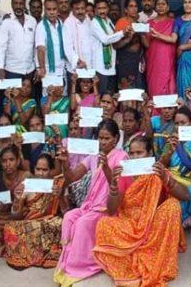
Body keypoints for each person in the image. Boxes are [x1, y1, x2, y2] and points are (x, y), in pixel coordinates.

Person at [93, 136, 189, 286]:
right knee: (103, 224)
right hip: (129, 226)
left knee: (173, 205)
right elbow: (112, 210)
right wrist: (113, 186)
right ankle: (138, 257)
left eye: (140, 152)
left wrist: (166, 178)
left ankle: (150, 256)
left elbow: (186, 196)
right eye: (132, 153)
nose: (135, 157)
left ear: (149, 153)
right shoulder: (123, 174)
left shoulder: (157, 171)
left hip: (153, 227)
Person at [54, 119, 129, 284]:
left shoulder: (122, 156)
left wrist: (107, 168)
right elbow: (72, 177)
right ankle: (67, 263)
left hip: (108, 208)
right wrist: (65, 163)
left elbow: (117, 188)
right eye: (100, 138)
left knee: (82, 223)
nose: (103, 142)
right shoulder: (93, 156)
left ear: (116, 139)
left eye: (107, 138)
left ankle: (81, 266)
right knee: (69, 217)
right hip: (90, 206)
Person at [4, 154, 65, 270]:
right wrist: (17, 200)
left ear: (51, 171)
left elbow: (66, 212)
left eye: (44, 170)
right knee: (9, 227)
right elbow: (16, 216)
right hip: (30, 223)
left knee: (60, 223)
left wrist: (60, 196)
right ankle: (25, 256)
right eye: (38, 169)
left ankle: (39, 254)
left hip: (50, 223)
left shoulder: (58, 185)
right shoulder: (26, 185)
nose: (40, 173)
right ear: (33, 169)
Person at [0, 0, 37, 108]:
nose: (18, 6)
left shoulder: (32, 21)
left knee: (28, 104)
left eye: (21, 3)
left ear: (24, 4)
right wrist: (0, 67)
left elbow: (35, 46)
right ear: (12, 4)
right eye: (16, 3)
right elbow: (1, 46)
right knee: (11, 103)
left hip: (29, 70)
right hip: (12, 70)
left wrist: (37, 67)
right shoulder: (7, 22)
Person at [35, 0, 80, 93]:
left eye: (54, 9)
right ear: (44, 10)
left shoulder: (61, 24)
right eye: (49, 9)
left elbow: (67, 45)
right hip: (48, 71)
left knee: (62, 100)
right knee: (49, 99)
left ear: (57, 10)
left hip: (62, 69)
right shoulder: (41, 27)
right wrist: (42, 68)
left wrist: (77, 60)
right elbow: (40, 49)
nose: (52, 12)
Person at [90, 0, 128, 94]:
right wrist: (122, 33)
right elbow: (106, 39)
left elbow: (114, 37)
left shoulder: (108, 21)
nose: (102, 11)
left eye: (104, 8)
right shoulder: (94, 23)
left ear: (108, 9)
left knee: (109, 97)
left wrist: (127, 34)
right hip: (100, 68)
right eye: (99, 8)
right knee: (102, 97)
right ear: (95, 10)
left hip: (110, 67)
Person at [142, 0, 177, 97]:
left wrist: (159, 35)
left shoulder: (173, 22)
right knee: (154, 87)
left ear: (168, 7)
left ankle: (168, 111)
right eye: (158, 4)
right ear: (155, 7)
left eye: (163, 4)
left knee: (168, 86)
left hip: (167, 60)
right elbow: (147, 45)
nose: (161, 6)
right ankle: (155, 112)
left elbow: (174, 39)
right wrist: (142, 35)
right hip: (153, 61)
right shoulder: (149, 23)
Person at [114, 0, 145, 89]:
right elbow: (115, 45)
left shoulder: (139, 24)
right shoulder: (121, 22)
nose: (134, 9)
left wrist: (142, 35)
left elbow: (146, 45)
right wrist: (128, 38)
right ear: (126, 10)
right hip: (125, 62)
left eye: (135, 6)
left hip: (137, 61)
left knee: (138, 90)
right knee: (126, 92)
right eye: (131, 6)